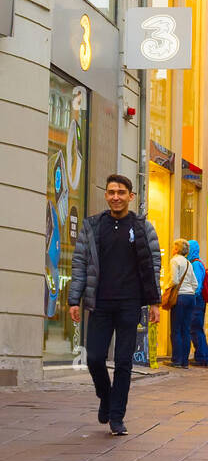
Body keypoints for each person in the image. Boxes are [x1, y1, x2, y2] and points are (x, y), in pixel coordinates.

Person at [68, 173, 161, 437]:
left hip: (130, 304)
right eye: (111, 192)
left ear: (131, 196)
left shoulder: (143, 227)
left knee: (123, 362)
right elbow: (79, 264)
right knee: (95, 358)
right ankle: (106, 397)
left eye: (121, 192)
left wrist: (154, 301)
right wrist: (74, 299)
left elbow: (153, 263)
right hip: (100, 303)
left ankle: (117, 416)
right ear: (106, 195)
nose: (116, 197)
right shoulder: (92, 226)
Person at [166, 239, 199, 368]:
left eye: (174, 247)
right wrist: (189, 290)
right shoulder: (188, 263)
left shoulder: (174, 260)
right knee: (185, 329)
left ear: (176, 249)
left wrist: (166, 288)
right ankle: (185, 361)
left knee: (176, 329)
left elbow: (174, 280)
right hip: (191, 297)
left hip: (179, 298)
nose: (172, 249)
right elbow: (195, 283)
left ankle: (176, 360)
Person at [186, 240, 208, 368]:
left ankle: (202, 358)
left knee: (195, 328)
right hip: (199, 300)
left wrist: (193, 296)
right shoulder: (196, 263)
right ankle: (202, 357)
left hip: (197, 300)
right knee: (196, 328)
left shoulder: (195, 264)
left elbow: (197, 284)